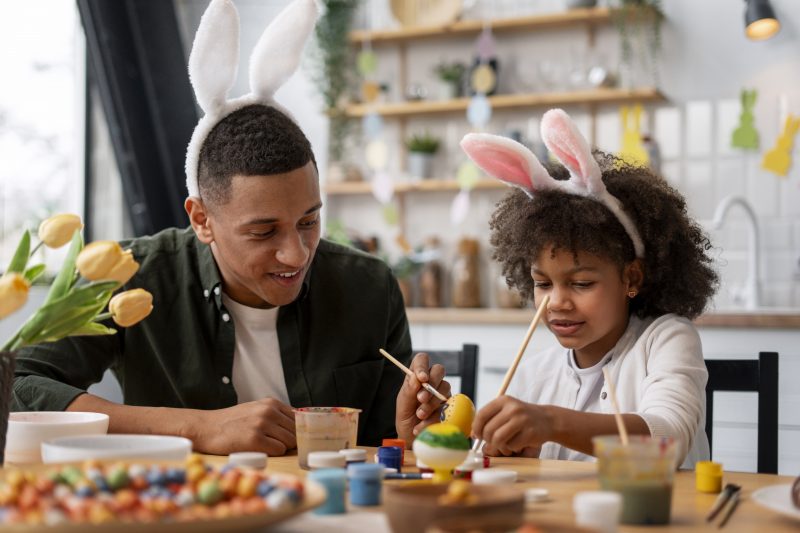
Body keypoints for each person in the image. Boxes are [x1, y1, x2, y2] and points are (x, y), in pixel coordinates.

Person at [12, 0, 448, 455]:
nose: (297, 253)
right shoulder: (131, 274)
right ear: (201, 219)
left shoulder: (369, 286)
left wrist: (412, 436)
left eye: (309, 220)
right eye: (264, 232)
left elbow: (383, 451)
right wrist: (197, 427)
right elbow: (18, 385)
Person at [461, 109, 718, 466]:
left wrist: (550, 423)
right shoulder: (536, 374)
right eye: (542, 283)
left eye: (581, 283)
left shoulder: (666, 340)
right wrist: (438, 433)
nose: (556, 303)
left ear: (631, 278)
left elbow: (669, 439)